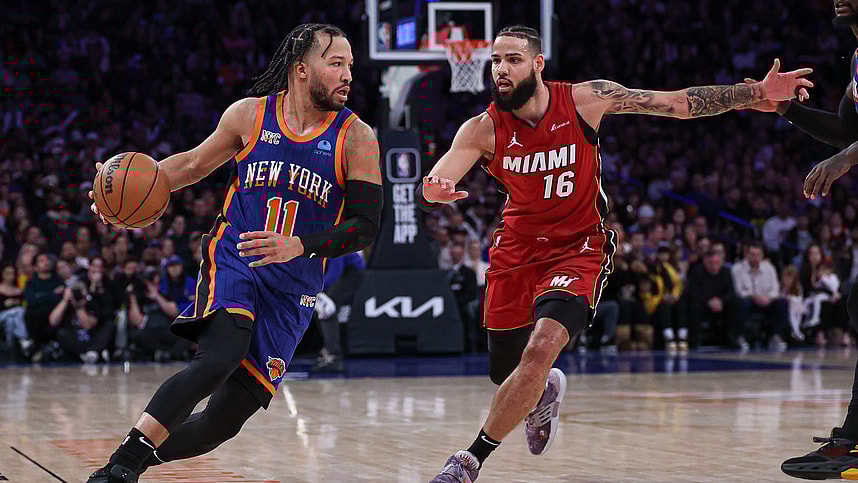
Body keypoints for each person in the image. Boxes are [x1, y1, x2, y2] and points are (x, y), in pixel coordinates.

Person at [419, 25, 812, 482]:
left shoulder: (586, 100)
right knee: (508, 374)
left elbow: (677, 102)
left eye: (513, 59)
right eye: (496, 61)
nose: (501, 69)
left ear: (538, 64)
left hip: (579, 247)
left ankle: (468, 462)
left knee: (540, 349)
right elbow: (435, 181)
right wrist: (435, 190)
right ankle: (542, 391)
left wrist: (754, 94)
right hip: (516, 253)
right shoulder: (483, 129)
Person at [85, 23, 382, 483]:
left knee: (219, 426)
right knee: (219, 357)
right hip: (236, 257)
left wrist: (300, 246)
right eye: (336, 63)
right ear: (302, 70)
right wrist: (121, 189)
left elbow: (365, 226)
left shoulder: (356, 137)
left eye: (350, 65)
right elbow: (190, 165)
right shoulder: (249, 115)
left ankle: (131, 460)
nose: (347, 75)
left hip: (293, 287)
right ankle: (120, 468)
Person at [776, 4, 858, 477]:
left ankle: (853, 440)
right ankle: (853, 438)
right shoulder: (857, 58)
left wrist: (847, 158)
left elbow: (851, 144)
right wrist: (788, 108)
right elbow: (849, 129)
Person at [731, 240, 790, 350]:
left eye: (758, 254)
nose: (756, 257)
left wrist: (768, 298)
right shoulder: (737, 269)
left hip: (767, 301)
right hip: (749, 301)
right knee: (741, 303)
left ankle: (774, 335)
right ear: (746, 254)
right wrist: (754, 297)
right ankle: (740, 336)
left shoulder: (769, 268)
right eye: (752, 254)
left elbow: (775, 289)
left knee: (782, 303)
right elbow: (738, 291)